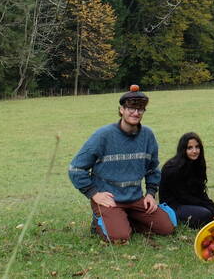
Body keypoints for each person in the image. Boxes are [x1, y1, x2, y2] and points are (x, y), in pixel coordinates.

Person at [68, 86, 174, 243]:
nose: (136, 113)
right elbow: (76, 168)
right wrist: (94, 193)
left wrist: (151, 194)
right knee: (119, 238)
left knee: (167, 228)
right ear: (121, 110)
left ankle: (122, 219)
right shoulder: (103, 135)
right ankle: (101, 221)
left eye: (140, 109)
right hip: (109, 200)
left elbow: (153, 169)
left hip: (135, 199)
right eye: (131, 108)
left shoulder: (148, 135)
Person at [160, 132, 214, 229]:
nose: (194, 151)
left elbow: (200, 192)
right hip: (173, 206)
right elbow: (184, 197)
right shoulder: (172, 168)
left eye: (197, 147)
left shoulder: (197, 164)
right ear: (183, 150)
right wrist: (210, 208)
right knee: (206, 214)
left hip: (188, 202)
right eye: (189, 148)